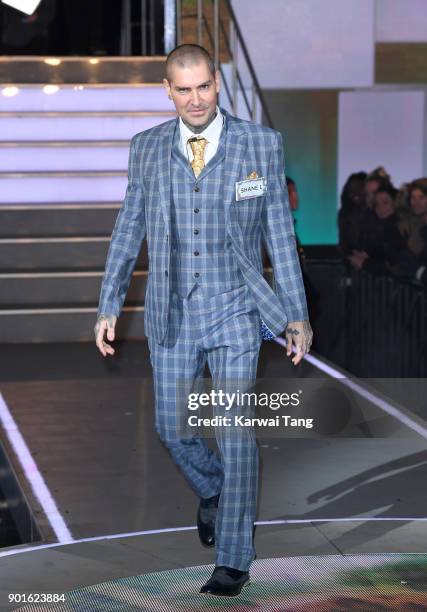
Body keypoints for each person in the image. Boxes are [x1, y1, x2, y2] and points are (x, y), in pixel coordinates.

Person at [94, 43, 312, 597]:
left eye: (204, 87)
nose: (195, 100)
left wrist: (296, 314)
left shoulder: (259, 144)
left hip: (237, 308)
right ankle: (216, 490)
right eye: (183, 89)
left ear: (218, 83)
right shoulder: (145, 149)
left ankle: (235, 557)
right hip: (171, 310)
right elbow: (128, 231)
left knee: (236, 433)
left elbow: (279, 238)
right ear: (167, 91)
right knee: (173, 429)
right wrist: (109, 303)